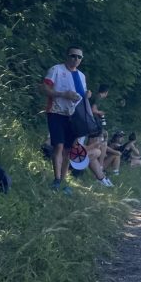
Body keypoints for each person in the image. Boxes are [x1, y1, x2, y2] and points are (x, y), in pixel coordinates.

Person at [41, 45, 88, 194]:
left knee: (69, 149)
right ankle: (56, 179)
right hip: (56, 112)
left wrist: (88, 95)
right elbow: (44, 88)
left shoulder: (81, 76)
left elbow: (81, 96)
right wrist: (62, 94)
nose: (76, 59)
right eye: (73, 56)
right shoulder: (56, 70)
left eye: (79, 57)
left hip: (73, 116)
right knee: (59, 146)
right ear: (67, 56)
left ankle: (63, 179)